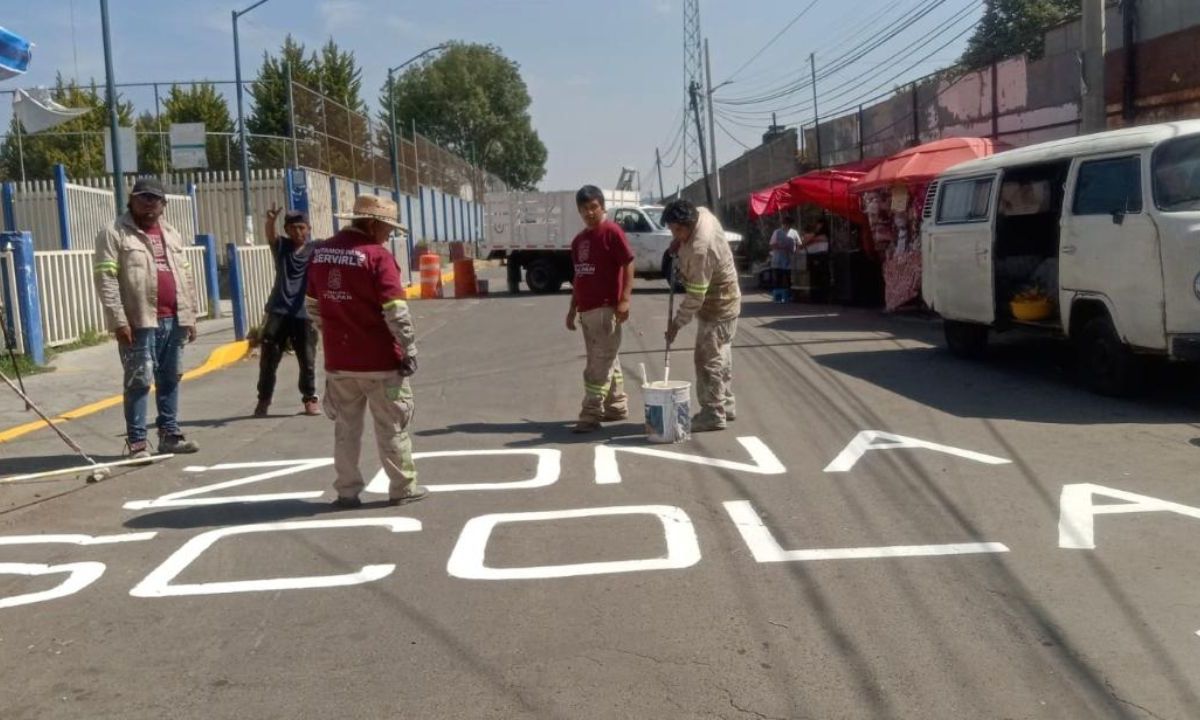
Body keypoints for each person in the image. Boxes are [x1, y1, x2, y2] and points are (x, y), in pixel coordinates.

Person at [305, 194, 426, 509]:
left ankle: (347, 491)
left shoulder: (320, 254)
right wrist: (409, 349)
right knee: (392, 427)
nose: (389, 235)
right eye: (387, 228)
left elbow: (314, 307)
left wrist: (332, 333)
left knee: (346, 430)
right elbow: (395, 311)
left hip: (340, 363)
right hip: (381, 361)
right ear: (372, 224)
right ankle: (403, 486)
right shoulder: (376, 256)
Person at [93, 178, 201, 459]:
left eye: (155, 199)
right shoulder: (115, 232)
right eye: (143, 198)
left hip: (174, 319)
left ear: (163, 204)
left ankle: (169, 434)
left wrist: (190, 315)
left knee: (170, 378)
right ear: (132, 200)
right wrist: (118, 320)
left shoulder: (171, 233)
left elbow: (185, 276)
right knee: (139, 380)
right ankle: (138, 443)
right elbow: (106, 279)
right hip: (139, 321)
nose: (149, 203)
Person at [663, 199, 741, 432]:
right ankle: (725, 403)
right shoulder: (701, 213)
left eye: (678, 230)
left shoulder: (700, 249)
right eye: (671, 230)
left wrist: (676, 324)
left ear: (689, 224)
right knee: (721, 353)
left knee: (707, 360)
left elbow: (695, 298)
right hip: (728, 299)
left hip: (718, 305)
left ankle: (713, 412)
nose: (675, 234)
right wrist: (676, 242)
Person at [565, 185, 635, 434]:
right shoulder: (579, 241)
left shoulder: (612, 232)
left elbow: (628, 264)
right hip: (587, 312)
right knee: (608, 358)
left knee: (597, 364)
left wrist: (624, 300)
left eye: (593, 207)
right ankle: (615, 405)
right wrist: (572, 309)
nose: (589, 213)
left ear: (602, 206)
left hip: (606, 309)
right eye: (584, 209)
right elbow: (578, 277)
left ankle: (590, 412)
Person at [254, 205, 319, 418]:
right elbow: (271, 236)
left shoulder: (316, 249)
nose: (297, 232)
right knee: (268, 360)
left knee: (307, 359)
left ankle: (309, 398)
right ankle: (264, 400)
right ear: (287, 230)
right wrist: (270, 221)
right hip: (278, 311)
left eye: (301, 228)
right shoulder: (282, 247)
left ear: (309, 228)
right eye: (292, 228)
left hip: (304, 313)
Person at [768, 216, 799, 303]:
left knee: (788, 278)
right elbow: (772, 244)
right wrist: (780, 247)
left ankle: (788, 296)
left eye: (788, 224)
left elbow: (799, 243)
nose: (786, 226)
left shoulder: (794, 232)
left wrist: (795, 250)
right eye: (785, 224)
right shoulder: (777, 232)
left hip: (789, 259)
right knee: (778, 278)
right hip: (778, 259)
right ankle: (777, 298)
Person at [805, 219, 831, 303]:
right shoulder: (817, 235)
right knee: (816, 276)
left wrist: (810, 239)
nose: (817, 226)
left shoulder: (823, 235)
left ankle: (822, 296)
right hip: (815, 255)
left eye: (818, 225)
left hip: (820, 255)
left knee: (821, 276)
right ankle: (818, 296)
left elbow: (810, 240)